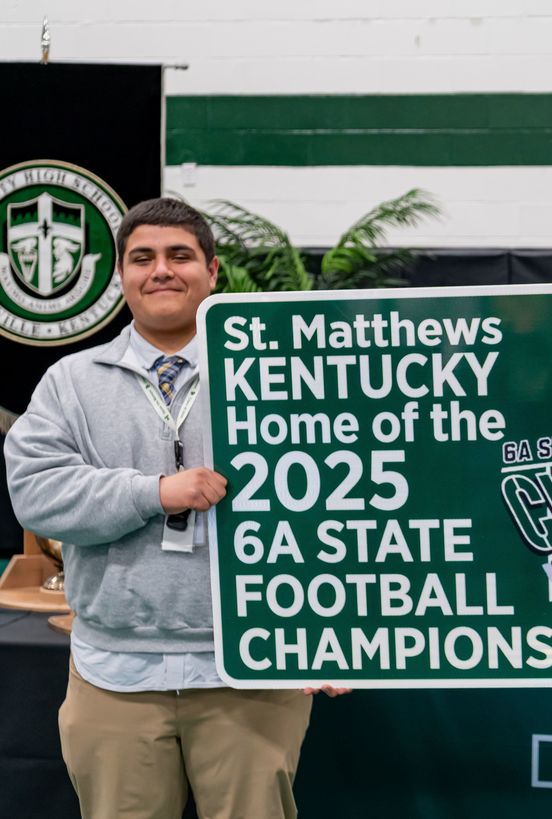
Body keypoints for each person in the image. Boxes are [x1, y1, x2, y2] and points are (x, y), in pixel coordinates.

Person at [4, 198, 344, 819]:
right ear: (123, 279)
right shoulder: (70, 382)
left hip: (251, 671)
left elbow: (341, 506)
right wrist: (154, 493)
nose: (161, 270)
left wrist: (340, 633)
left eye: (179, 255)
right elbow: (36, 492)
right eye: (143, 258)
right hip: (116, 674)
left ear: (212, 272)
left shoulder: (277, 374)